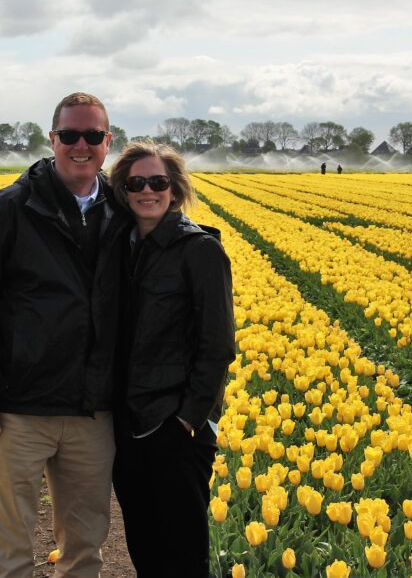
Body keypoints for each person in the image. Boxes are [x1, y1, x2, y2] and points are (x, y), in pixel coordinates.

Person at [0, 92, 130, 578]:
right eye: (70, 135)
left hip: (92, 411)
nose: (81, 145)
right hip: (17, 409)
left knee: (86, 547)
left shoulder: (121, 208)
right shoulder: (8, 209)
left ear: (108, 142)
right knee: (9, 550)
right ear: (52, 140)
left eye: (93, 136)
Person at [108, 142, 235, 577]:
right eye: (136, 183)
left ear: (175, 190)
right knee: (144, 543)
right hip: (127, 423)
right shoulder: (119, 248)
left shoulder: (199, 250)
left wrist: (189, 418)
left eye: (158, 182)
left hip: (175, 425)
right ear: (122, 191)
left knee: (182, 551)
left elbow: (217, 344)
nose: (148, 191)